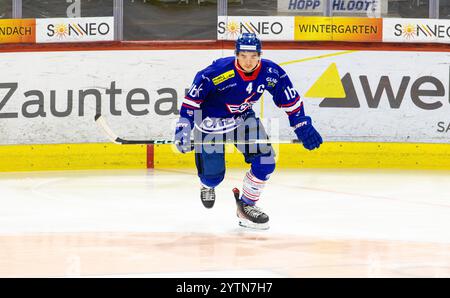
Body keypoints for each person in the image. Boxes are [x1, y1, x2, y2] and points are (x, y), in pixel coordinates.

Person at [174, 33, 322, 230]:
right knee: (213, 177)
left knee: (266, 160)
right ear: (236, 55)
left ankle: (246, 206)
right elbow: (192, 101)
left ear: (260, 55)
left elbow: (290, 99)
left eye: (253, 56)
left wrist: (300, 122)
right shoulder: (216, 72)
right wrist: (184, 125)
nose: (248, 61)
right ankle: (207, 185)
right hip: (210, 124)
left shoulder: (271, 72)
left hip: (243, 119)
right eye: (243, 56)